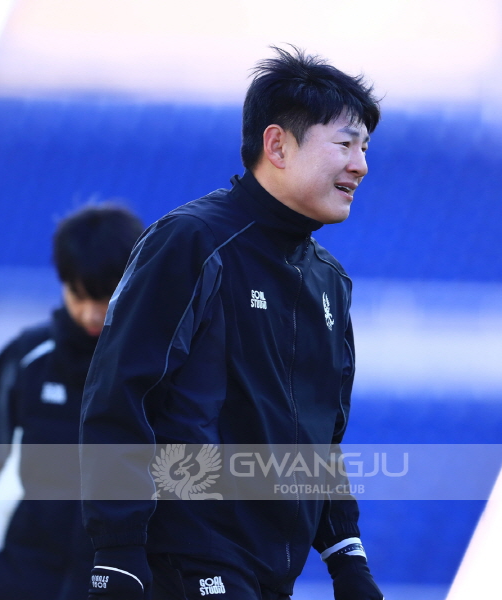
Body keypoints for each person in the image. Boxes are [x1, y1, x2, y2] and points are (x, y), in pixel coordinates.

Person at [80, 46, 383, 600]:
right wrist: (116, 550)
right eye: (345, 144)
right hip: (186, 554)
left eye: (364, 147)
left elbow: (322, 440)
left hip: (272, 572)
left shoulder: (329, 282)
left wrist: (347, 559)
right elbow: (119, 394)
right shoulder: (193, 242)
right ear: (277, 145)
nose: (360, 165)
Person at [0, 203, 145, 600]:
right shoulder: (27, 359)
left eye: (105, 296)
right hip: (8, 584)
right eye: (78, 295)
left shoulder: (163, 367)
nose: (91, 313)